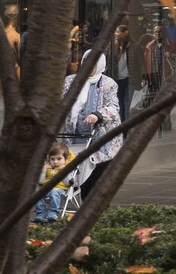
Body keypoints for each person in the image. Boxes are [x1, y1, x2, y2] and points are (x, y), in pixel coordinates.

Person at [60, 51, 123, 200]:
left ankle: (95, 208)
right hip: (75, 138)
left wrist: (97, 115)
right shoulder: (70, 81)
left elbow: (114, 107)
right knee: (76, 174)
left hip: (102, 139)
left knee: (97, 180)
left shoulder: (108, 84)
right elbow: (60, 102)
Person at [34, 143, 72, 223]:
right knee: (36, 193)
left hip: (60, 189)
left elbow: (68, 183)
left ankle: (52, 212)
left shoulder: (66, 168)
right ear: (49, 159)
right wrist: (44, 170)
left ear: (66, 159)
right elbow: (40, 182)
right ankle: (40, 213)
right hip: (46, 188)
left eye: (59, 159)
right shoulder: (47, 168)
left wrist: (63, 171)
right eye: (52, 159)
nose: (55, 162)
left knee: (54, 191)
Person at [105, 26, 132, 123]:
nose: (115, 34)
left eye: (117, 32)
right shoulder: (112, 46)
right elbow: (107, 61)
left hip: (128, 79)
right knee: (119, 102)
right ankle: (121, 124)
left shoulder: (131, 46)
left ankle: (126, 125)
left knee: (127, 102)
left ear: (125, 33)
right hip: (116, 79)